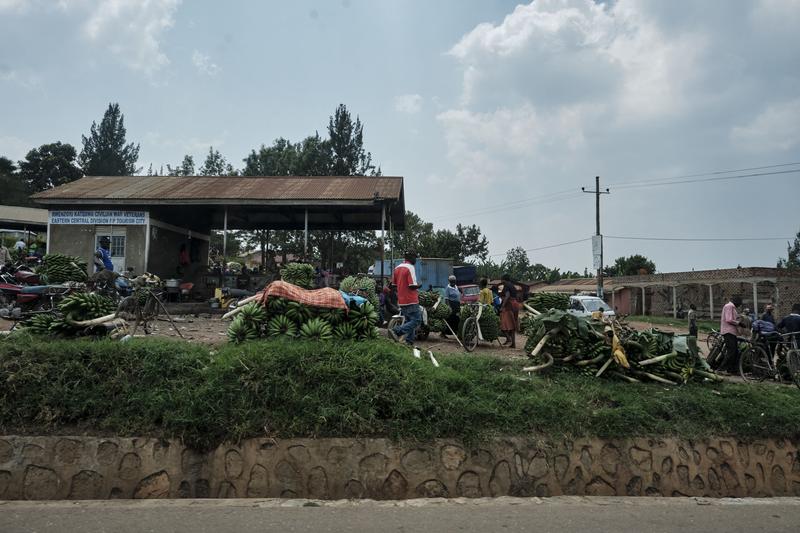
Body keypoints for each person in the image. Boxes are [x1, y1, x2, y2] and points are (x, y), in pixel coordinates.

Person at [389, 250, 421, 346]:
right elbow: (412, 286)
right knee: (416, 320)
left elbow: (393, 285)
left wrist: (401, 289)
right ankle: (396, 331)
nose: (415, 259)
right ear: (410, 258)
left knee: (408, 320)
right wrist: (419, 286)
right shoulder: (410, 267)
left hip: (401, 300)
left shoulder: (397, 268)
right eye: (415, 257)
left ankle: (409, 342)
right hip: (411, 299)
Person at [719, 295, 743, 372]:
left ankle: (732, 369)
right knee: (731, 351)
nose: (739, 305)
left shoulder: (731, 307)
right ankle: (722, 369)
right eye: (739, 303)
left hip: (732, 332)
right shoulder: (730, 306)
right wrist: (739, 323)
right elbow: (729, 320)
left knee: (735, 351)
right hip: (728, 331)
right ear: (736, 301)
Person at [499, 273, 520, 348]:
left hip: (509, 306)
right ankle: (513, 344)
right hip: (515, 304)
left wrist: (502, 306)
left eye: (501, 279)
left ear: (503, 279)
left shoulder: (506, 285)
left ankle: (509, 339)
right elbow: (517, 296)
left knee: (503, 325)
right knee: (513, 325)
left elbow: (507, 296)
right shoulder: (512, 286)